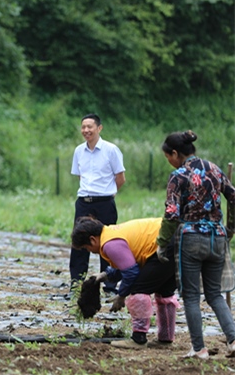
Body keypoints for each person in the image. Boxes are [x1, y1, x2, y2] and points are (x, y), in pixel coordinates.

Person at [157, 130, 235, 359]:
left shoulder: (178, 176)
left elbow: (172, 214)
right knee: (215, 294)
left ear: (175, 153)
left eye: (168, 157)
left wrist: (162, 243)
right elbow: (233, 196)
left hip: (191, 238)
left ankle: (199, 348)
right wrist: (229, 228)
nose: (169, 162)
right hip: (217, 238)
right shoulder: (214, 169)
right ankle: (233, 340)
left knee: (190, 296)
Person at [71, 217, 179, 349]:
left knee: (138, 289)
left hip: (165, 243)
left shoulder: (109, 244)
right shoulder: (110, 233)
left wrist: (121, 296)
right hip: (176, 238)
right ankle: (165, 339)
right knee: (164, 291)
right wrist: (105, 275)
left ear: (93, 239)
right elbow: (127, 263)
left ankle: (138, 339)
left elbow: (131, 272)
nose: (89, 252)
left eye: (86, 248)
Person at [69, 113, 126, 287]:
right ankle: (77, 283)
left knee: (108, 242)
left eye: (90, 127)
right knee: (79, 242)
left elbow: (120, 177)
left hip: (105, 203)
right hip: (84, 202)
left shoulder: (111, 150)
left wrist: (109, 193)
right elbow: (80, 177)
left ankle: (109, 284)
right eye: (83, 127)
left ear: (99, 128)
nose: (86, 130)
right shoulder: (79, 151)